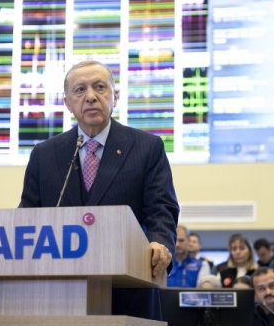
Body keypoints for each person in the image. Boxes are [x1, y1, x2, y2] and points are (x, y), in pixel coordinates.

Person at [19, 60, 179, 319]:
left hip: (129, 295)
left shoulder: (147, 147)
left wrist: (158, 244)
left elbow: (162, 209)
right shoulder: (44, 155)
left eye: (99, 87)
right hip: (59, 298)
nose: (90, 97)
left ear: (115, 96)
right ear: (68, 103)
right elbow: (27, 216)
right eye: (80, 90)